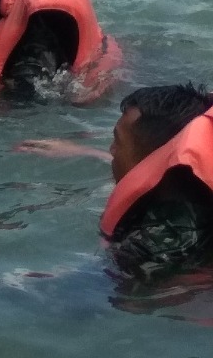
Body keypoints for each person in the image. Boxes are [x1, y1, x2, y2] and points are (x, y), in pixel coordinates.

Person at [22, 84, 213, 280]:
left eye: (118, 141)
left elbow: (100, 295)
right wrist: (87, 152)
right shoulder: (191, 191)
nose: (112, 151)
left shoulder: (157, 244)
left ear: (152, 158)